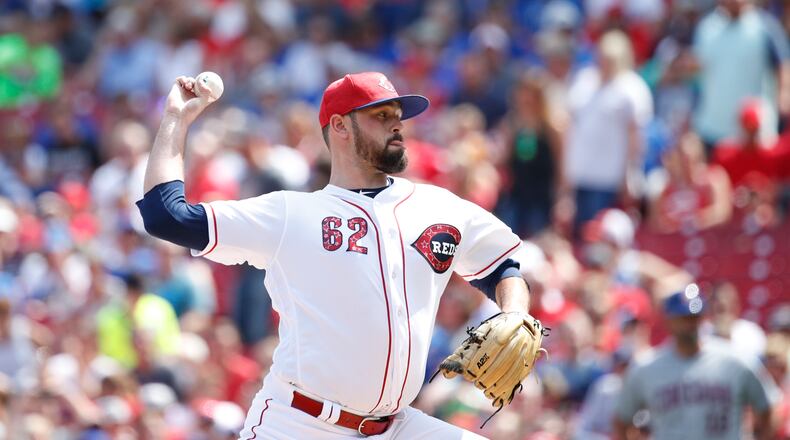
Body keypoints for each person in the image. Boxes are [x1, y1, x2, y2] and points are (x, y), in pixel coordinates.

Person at [136, 71, 533, 439]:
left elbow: (504, 266)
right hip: (298, 423)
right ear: (340, 125)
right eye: (380, 115)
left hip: (397, 426)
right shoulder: (291, 214)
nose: (397, 123)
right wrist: (175, 118)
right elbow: (166, 216)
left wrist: (514, 312)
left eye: (398, 115)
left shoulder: (439, 206)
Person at [614, 285, 773, 440]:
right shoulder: (647, 367)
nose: (689, 323)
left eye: (694, 316)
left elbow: (768, 408)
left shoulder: (736, 360)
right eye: (682, 317)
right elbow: (621, 420)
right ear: (668, 320)